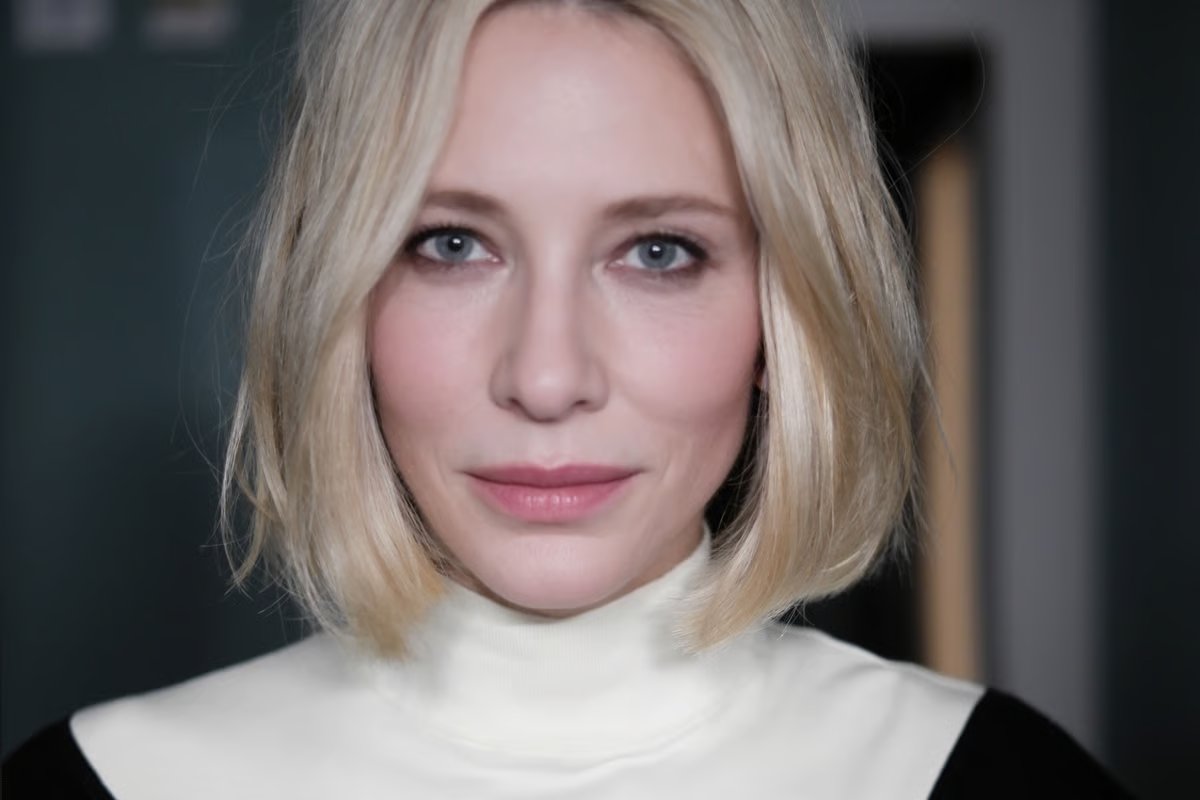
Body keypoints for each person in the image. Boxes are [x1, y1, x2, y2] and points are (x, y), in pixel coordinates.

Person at [3, 0, 1131, 797]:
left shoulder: (986, 777)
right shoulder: (102, 781)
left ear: (782, 315)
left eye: (658, 252)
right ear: (340, 297)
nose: (546, 379)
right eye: (451, 243)